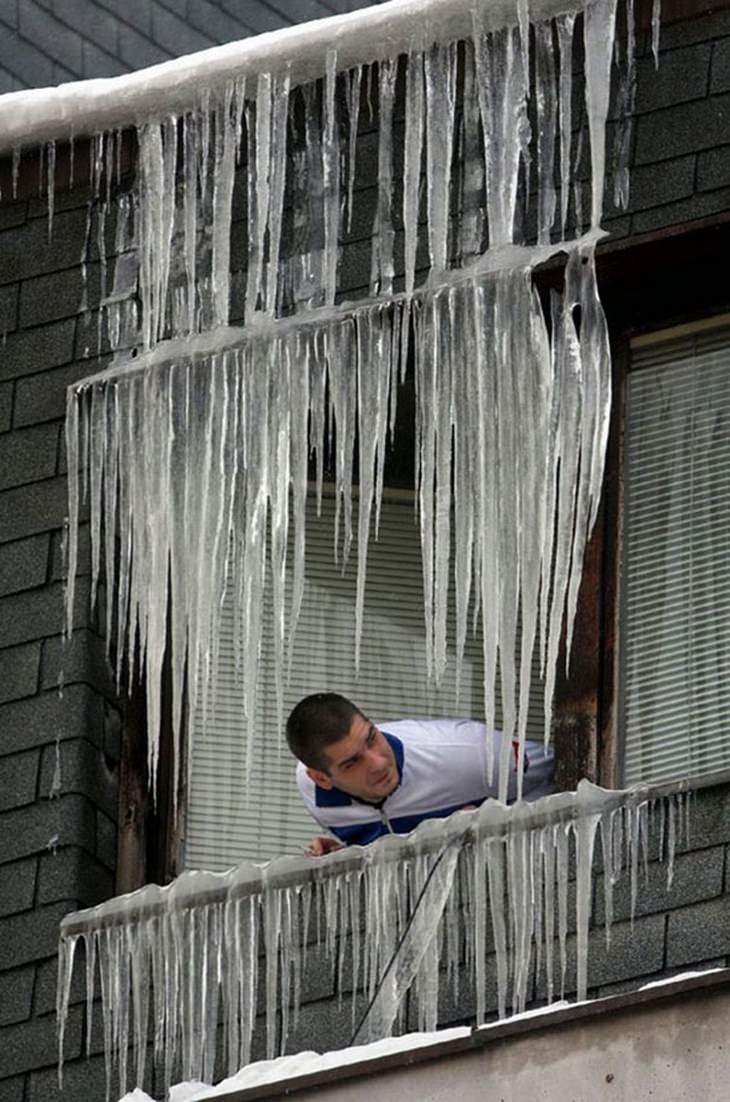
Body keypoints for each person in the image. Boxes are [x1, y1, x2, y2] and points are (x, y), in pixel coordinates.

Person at [285, 692, 555, 855]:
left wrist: (497, 824)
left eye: (371, 738)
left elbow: (563, 771)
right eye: (352, 763)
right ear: (322, 779)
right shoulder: (313, 793)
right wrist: (348, 855)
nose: (378, 763)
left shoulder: (471, 754)